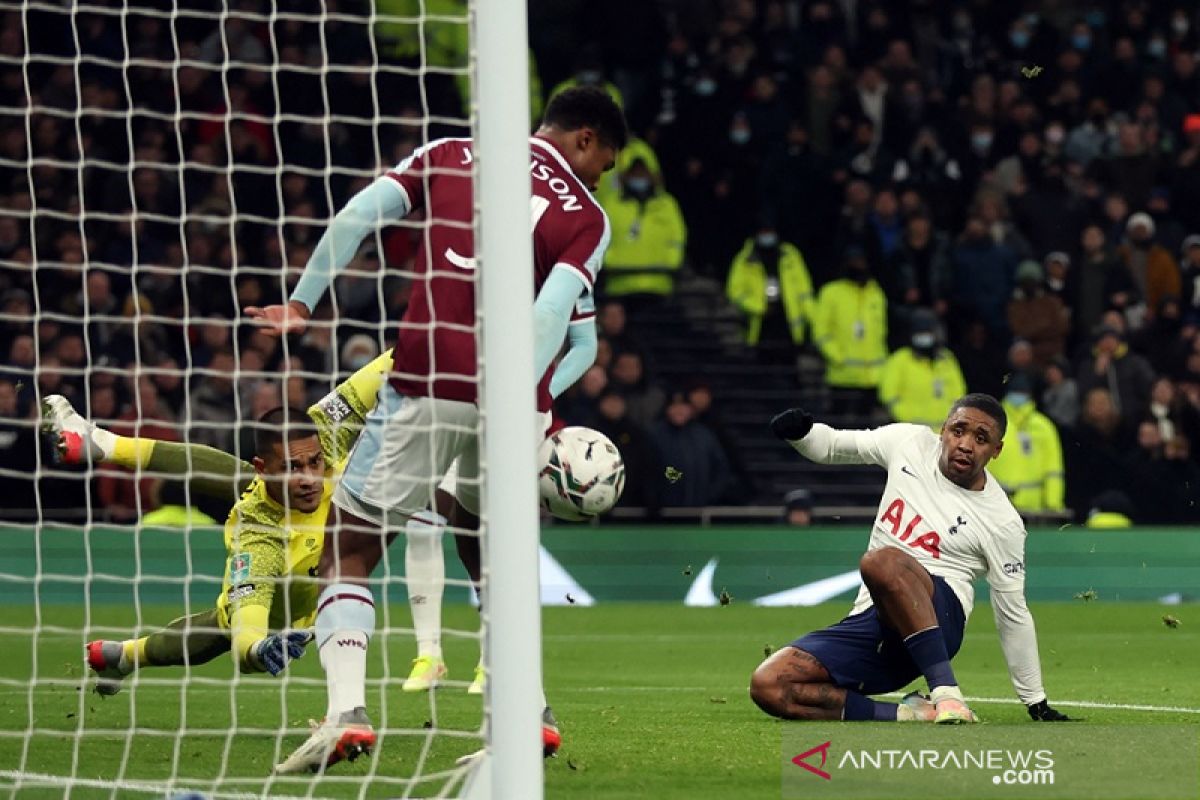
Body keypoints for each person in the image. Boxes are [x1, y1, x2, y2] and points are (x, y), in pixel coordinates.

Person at [247, 86, 627, 774]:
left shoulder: (450, 152)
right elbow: (552, 321)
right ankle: (531, 715)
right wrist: (524, 402)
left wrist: (303, 303)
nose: (601, 174)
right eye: (606, 159)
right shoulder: (587, 216)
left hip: (428, 377)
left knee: (350, 548)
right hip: (513, 403)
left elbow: (360, 213)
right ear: (585, 139)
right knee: (490, 558)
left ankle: (346, 715)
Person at [42, 353, 390, 695]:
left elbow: (389, 364)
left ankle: (103, 443)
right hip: (295, 603)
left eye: (315, 463)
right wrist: (257, 650)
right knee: (225, 625)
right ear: (263, 468)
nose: (310, 478)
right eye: (293, 468)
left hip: (382, 508)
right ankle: (126, 655)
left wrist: (434, 334)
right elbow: (246, 634)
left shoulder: (320, 432)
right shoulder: (258, 540)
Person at [750, 395, 1070, 725]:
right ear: (943, 430)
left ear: (996, 450)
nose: (966, 445)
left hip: (941, 617)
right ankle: (910, 714)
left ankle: (946, 693)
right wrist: (801, 433)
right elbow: (832, 445)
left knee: (881, 561)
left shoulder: (1002, 521)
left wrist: (1036, 701)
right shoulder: (909, 443)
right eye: (959, 431)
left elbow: (1012, 613)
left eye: (981, 438)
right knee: (769, 684)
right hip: (875, 620)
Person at [812, 246, 888, 416]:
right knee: (838, 427)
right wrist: (838, 357)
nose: (859, 265)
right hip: (842, 376)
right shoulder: (831, 292)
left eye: (862, 261)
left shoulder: (875, 292)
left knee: (866, 431)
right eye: (855, 261)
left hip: (872, 378)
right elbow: (820, 332)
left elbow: (880, 332)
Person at [725, 228, 815, 361]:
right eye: (764, 232)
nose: (767, 236)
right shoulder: (745, 259)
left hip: (789, 329)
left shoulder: (790, 254)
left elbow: (804, 290)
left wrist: (813, 321)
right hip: (760, 328)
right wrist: (759, 307)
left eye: (770, 232)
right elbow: (735, 292)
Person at [988, 373, 1066, 515]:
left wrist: (1053, 503)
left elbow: (1053, 468)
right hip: (996, 506)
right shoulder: (993, 424)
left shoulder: (1043, 427)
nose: (1018, 397)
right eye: (1015, 392)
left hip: (1034, 508)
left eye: (1022, 392)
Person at [877, 309, 965, 430]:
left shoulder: (947, 359)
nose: (924, 336)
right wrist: (907, 419)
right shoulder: (900, 360)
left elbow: (959, 393)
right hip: (912, 434)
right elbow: (889, 396)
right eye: (920, 331)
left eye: (928, 331)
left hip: (943, 436)